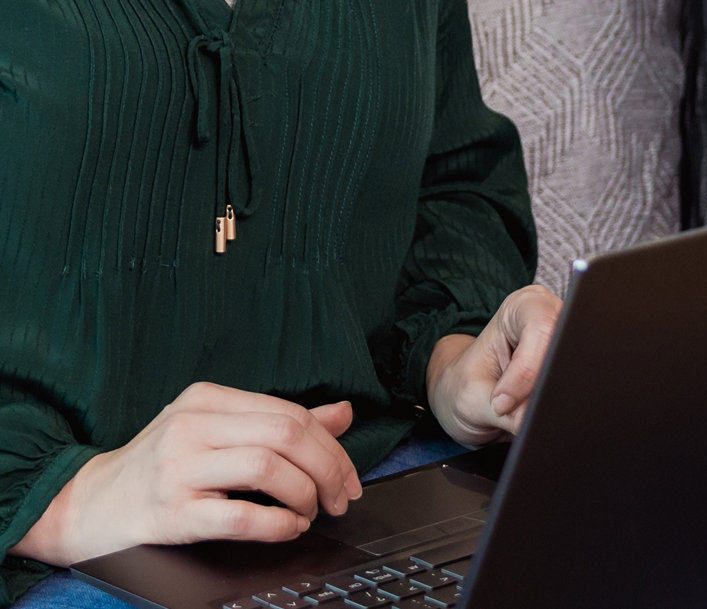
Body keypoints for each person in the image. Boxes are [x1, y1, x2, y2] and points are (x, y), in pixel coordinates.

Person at [0, 0, 561, 607]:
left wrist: (454, 358)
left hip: (377, 478)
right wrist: (64, 503)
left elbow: (451, 179)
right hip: (60, 550)